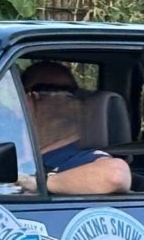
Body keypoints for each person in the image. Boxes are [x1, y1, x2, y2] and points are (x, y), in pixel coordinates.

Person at [18, 62, 131, 194]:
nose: (61, 98)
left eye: (70, 92)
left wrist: (41, 183)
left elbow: (115, 176)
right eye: (46, 89)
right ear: (23, 99)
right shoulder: (11, 148)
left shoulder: (84, 159)